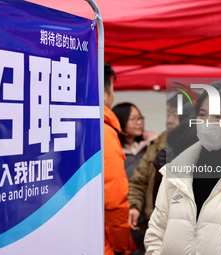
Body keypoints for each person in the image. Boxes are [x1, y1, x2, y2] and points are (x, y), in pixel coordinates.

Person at [144, 78, 221, 255]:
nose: (206, 123)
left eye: (218, 117)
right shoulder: (176, 170)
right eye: (202, 115)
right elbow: (156, 232)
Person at [103, 62, 133, 255]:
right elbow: (114, 200)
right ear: (105, 92)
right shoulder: (103, 131)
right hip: (100, 241)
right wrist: (123, 246)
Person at [112, 102, 158, 180]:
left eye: (140, 118)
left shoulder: (152, 143)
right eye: (133, 119)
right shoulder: (113, 149)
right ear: (120, 121)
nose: (139, 123)